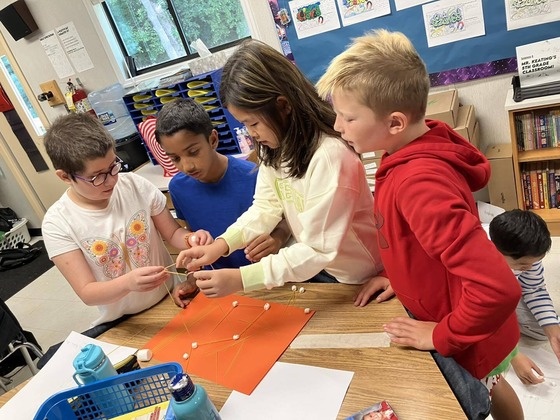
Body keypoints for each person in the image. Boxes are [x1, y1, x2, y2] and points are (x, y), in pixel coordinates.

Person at [316, 30, 522, 419]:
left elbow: (497, 288)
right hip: (455, 311)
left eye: (348, 117)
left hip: (467, 330)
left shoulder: (418, 183)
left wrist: (440, 335)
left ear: (395, 122)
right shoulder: (413, 146)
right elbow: (421, 242)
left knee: (492, 388)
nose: (338, 126)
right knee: (496, 383)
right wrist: (401, 277)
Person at [176, 39, 389, 304]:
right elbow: (265, 207)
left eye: (253, 123)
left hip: (360, 275)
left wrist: (242, 278)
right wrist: (220, 245)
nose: (251, 133)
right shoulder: (277, 147)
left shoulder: (331, 156)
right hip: (319, 270)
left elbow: (317, 249)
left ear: (283, 106)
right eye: (244, 124)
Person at [42, 113, 211, 327]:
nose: (112, 179)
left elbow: (173, 233)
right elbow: (88, 292)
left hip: (174, 299)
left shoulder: (134, 185)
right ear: (65, 177)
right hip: (124, 322)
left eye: (114, 166)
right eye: (97, 176)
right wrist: (128, 283)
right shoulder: (58, 223)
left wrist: (192, 240)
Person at [154, 98, 291, 270]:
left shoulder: (255, 175)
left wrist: (277, 239)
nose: (187, 166)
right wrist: (193, 275)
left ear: (212, 140)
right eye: (175, 158)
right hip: (220, 283)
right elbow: (194, 237)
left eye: (194, 152)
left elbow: (287, 220)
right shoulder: (178, 188)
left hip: (264, 276)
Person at [489, 209, 560, 385]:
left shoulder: (528, 255)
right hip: (475, 299)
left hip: (503, 292)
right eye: (522, 264)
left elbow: (534, 289)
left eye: (533, 263)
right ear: (496, 252)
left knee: (541, 330)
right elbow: (479, 314)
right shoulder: (478, 262)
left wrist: (552, 329)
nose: (529, 267)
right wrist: (512, 355)